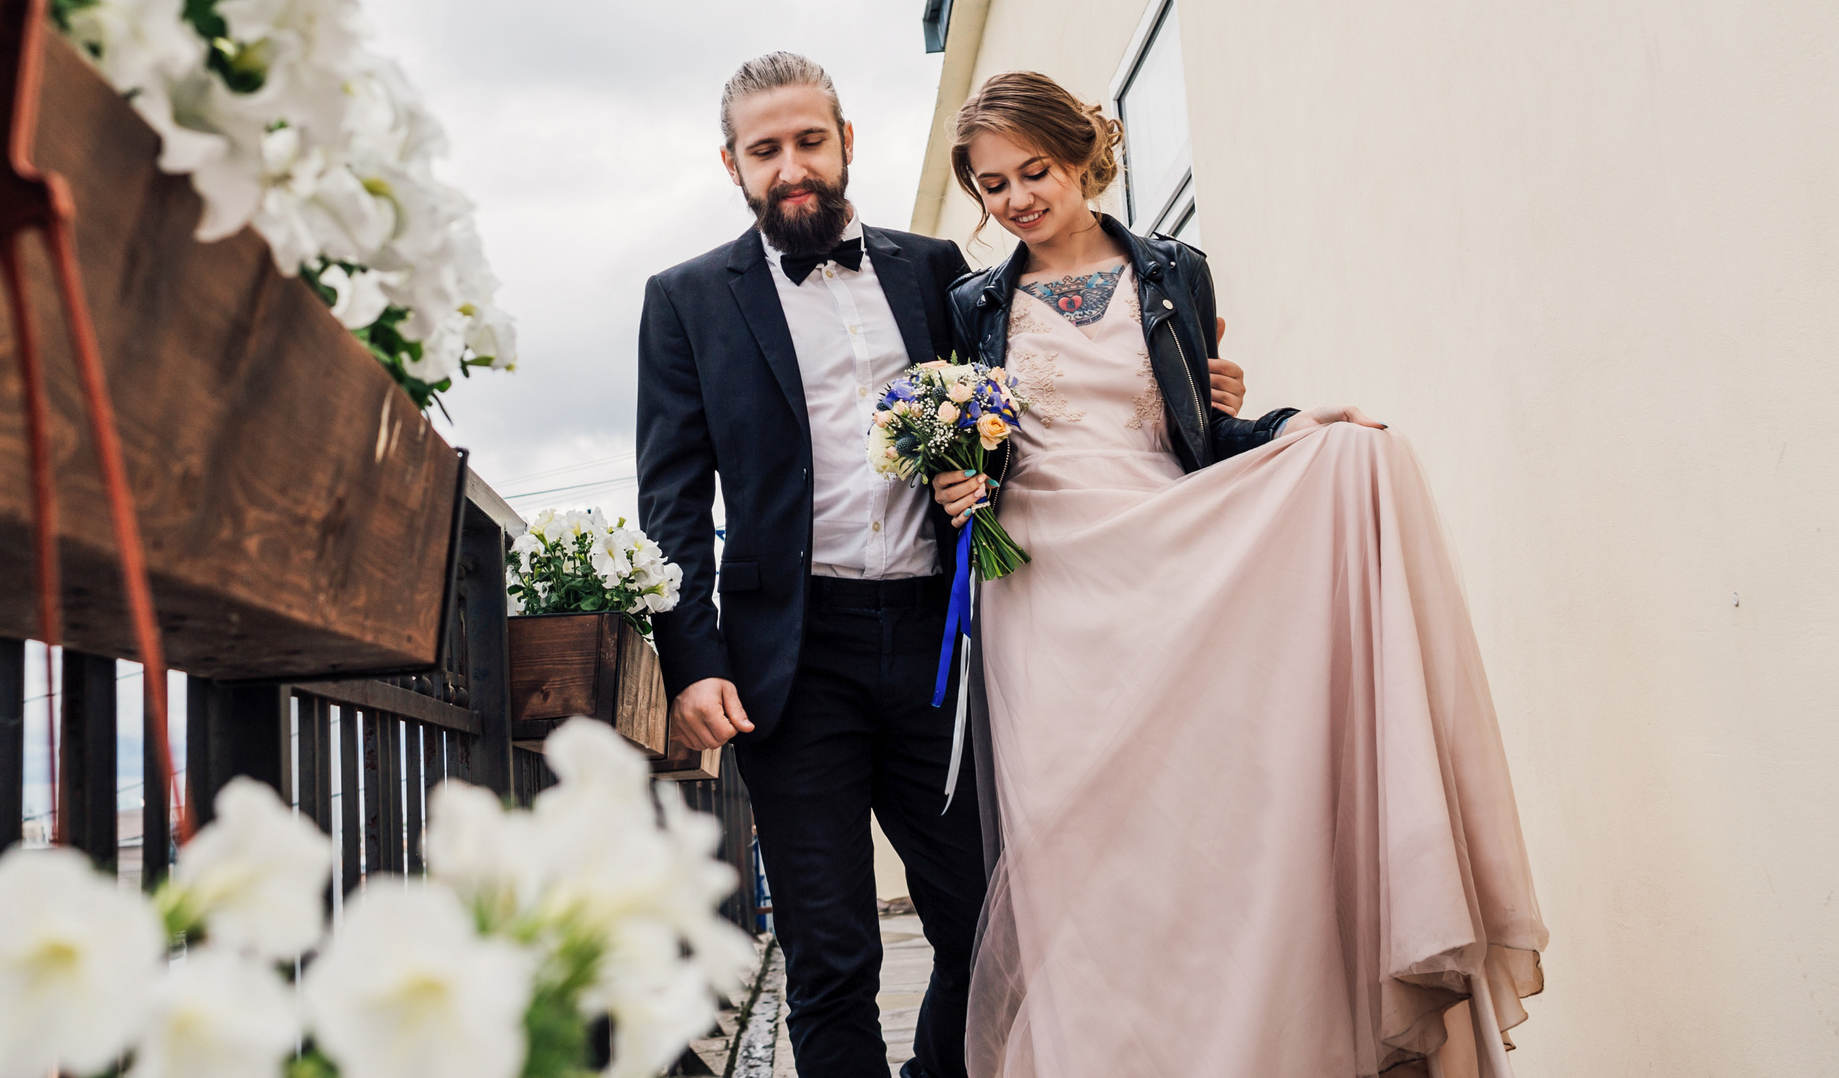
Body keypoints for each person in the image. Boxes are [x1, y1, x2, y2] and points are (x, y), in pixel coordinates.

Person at [635, 53, 1245, 1078]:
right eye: (765, 149)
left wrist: (1199, 385)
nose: (791, 165)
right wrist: (690, 660)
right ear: (732, 164)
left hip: (949, 643)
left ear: (845, 144)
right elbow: (672, 502)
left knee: (988, 925)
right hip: (790, 662)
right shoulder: (685, 300)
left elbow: (1042, 396)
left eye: (808, 140)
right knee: (831, 952)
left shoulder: (940, 278)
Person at [931, 70, 1547, 1078]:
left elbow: (1201, 432)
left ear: (1083, 157)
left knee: (1202, 825)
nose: (1015, 200)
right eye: (992, 186)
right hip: (1046, 586)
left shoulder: (1176, 271)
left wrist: (1289, 428)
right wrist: (957, 485)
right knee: (1081, 854)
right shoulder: (970, 305)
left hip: (1169, 553)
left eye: (1033, 171)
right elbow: (967, 440)